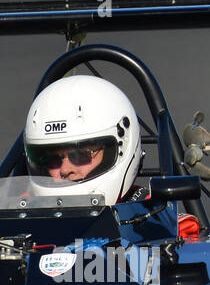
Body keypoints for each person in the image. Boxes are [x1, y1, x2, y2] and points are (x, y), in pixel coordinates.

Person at [22, 75, 144, 203]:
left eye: (81, 154)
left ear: (121, 148)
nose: (65, 170)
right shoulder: (21, 212)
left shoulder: (152, 213)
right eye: (53, 158)